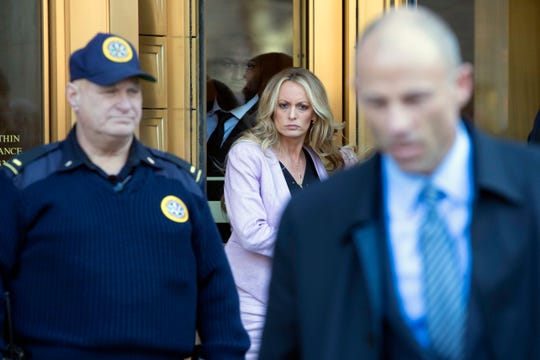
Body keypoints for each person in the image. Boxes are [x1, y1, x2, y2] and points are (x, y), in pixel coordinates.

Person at [259, 6, 540, 360]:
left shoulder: (533, 188)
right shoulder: (312, 218)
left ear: (461, 85)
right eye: (378, 102)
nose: (398, 123)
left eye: (415, 98)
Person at [0, 32, 249, 360]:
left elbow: (216, 290)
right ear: (73, 95)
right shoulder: (26, 182)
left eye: (133, 91)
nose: (124, 102)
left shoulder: (180, 183)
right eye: (108, 91)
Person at [224, 67, 357, 359]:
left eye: (302, 107)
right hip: (253, 296)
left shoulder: (318, 160)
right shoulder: (247, 154)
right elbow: (251, 233)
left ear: (314, 114)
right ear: (272, 109)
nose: (292, 115)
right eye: (284, 106)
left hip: (305, 296)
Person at [206, 52, 293, 241]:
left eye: (249, 66)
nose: (239, 74)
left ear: (262, 72)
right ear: (211, 70)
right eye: (228, 63)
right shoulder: (192, 112)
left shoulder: (278, 122)